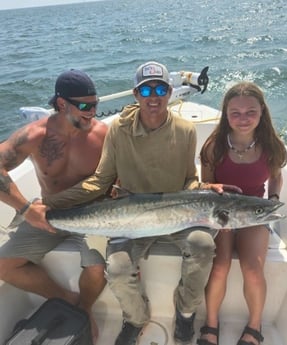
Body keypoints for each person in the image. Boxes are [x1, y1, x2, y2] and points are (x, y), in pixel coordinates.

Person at [42, 61, 241, 345]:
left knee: (203, 245)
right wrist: (50, 203)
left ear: (171, 92)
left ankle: (185, 312)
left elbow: (188, 181)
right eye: (146, 90)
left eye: (161, 88)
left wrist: (206, 188)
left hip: (177, 213)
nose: (154, 96)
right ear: (136, 95)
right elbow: (100, 181)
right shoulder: (119, 130)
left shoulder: (185, 130)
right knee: (118, 269)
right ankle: (136, 318)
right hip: (131, 217)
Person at [0, 69, 109, 344]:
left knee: (97, 268)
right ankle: (66, 299)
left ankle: (84, 310)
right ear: (62, 104)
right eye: (85, 106)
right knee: (2, 265)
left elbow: (119, 176)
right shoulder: (35, 136)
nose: (92, 113)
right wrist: (25, 209)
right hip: (48, 214)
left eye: (95, 105)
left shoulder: (103, 134)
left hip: (93, 215)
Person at [197, 81, 287, 345]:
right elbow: (207, 185)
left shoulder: (271, 145)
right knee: (220, 266)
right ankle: (211, 323)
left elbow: (276, 178)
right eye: (235, 113)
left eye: (251, 112)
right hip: (222, 213)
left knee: (252, 268)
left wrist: (272, 199)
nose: (243, 119)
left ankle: (254, 326)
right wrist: (218, 213)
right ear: (226, 114)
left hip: (254, 213)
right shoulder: (214, 146)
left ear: (262, 112)